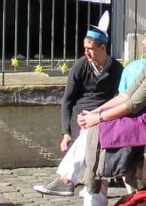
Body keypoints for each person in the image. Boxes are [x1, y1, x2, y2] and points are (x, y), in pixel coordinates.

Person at [76, 22, 146, 206]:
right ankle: (86, 188)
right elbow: (125, 95)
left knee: (102, 129)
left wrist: (96, 118)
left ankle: (81, 185)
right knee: (100, 129)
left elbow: (133, 104)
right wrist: (94, 113)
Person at [34, 22, 124, 197]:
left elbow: (117, 98)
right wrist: (65, 132)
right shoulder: (80, 66)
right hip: (80, 114)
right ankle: (82, 184)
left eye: (90, 48)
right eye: (84, 48)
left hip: (103, 113)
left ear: (103, 48)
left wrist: (99, 114)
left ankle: (71, 182)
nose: (86, 52)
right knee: (88, 131)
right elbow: (67, 100)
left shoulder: (116, 69)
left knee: (94, 132)